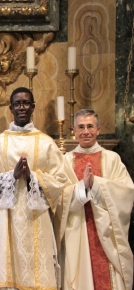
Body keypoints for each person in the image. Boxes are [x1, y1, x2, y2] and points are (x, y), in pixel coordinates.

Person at [0, 87, 68, 289]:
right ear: (10, 108)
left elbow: (60, 179)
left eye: (26, 103)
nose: (21, 107)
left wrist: (32, 178)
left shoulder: (46, 143)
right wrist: (13, 176)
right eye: (17, 103)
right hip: (5, 218)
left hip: (36, 218)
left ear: (33, 107)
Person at [57, 108, 134, 290]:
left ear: (98, 129)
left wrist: (97, 184)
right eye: (81, 127)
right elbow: (59, 198)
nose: (86, 131)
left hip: (105, 232)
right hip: (77, 231)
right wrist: (82, 187)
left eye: (90, 126)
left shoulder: (112, 159)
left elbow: (126, 192)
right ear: (74, 131)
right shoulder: (66, 161)